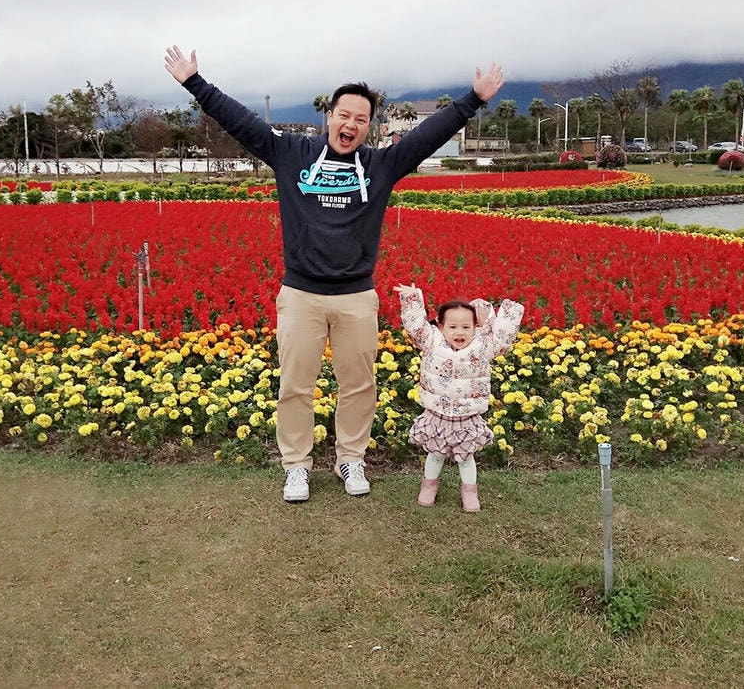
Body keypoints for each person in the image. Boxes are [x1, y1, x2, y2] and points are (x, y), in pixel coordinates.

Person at [164, 46, 506, 502]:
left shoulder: (379, 165)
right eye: (344, 115)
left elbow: (426, 135)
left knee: (359, 384)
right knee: (295, 385)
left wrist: (474, 99)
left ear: (369, 126)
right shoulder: (290, 153)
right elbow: (242, 123)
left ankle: (351, 458)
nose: (350, 125)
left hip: (356, 296)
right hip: (301, 293)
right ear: (330, 115)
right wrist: (195, 83)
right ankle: (296, 466)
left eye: (361, 119)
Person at [395, 283, 524, 512]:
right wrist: (413, 299)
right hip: (437, 413)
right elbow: (416, 328)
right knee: (435, 454)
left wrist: (510, 313)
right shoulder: (432, 341)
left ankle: (469, 492)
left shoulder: (483, 346)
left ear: (476, 327)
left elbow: (502, 337)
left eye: (466, 326)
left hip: (466, 416)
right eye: (452, 326)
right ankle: (428, 487)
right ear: (441, 326)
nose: (459, 332)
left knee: (466, 458)